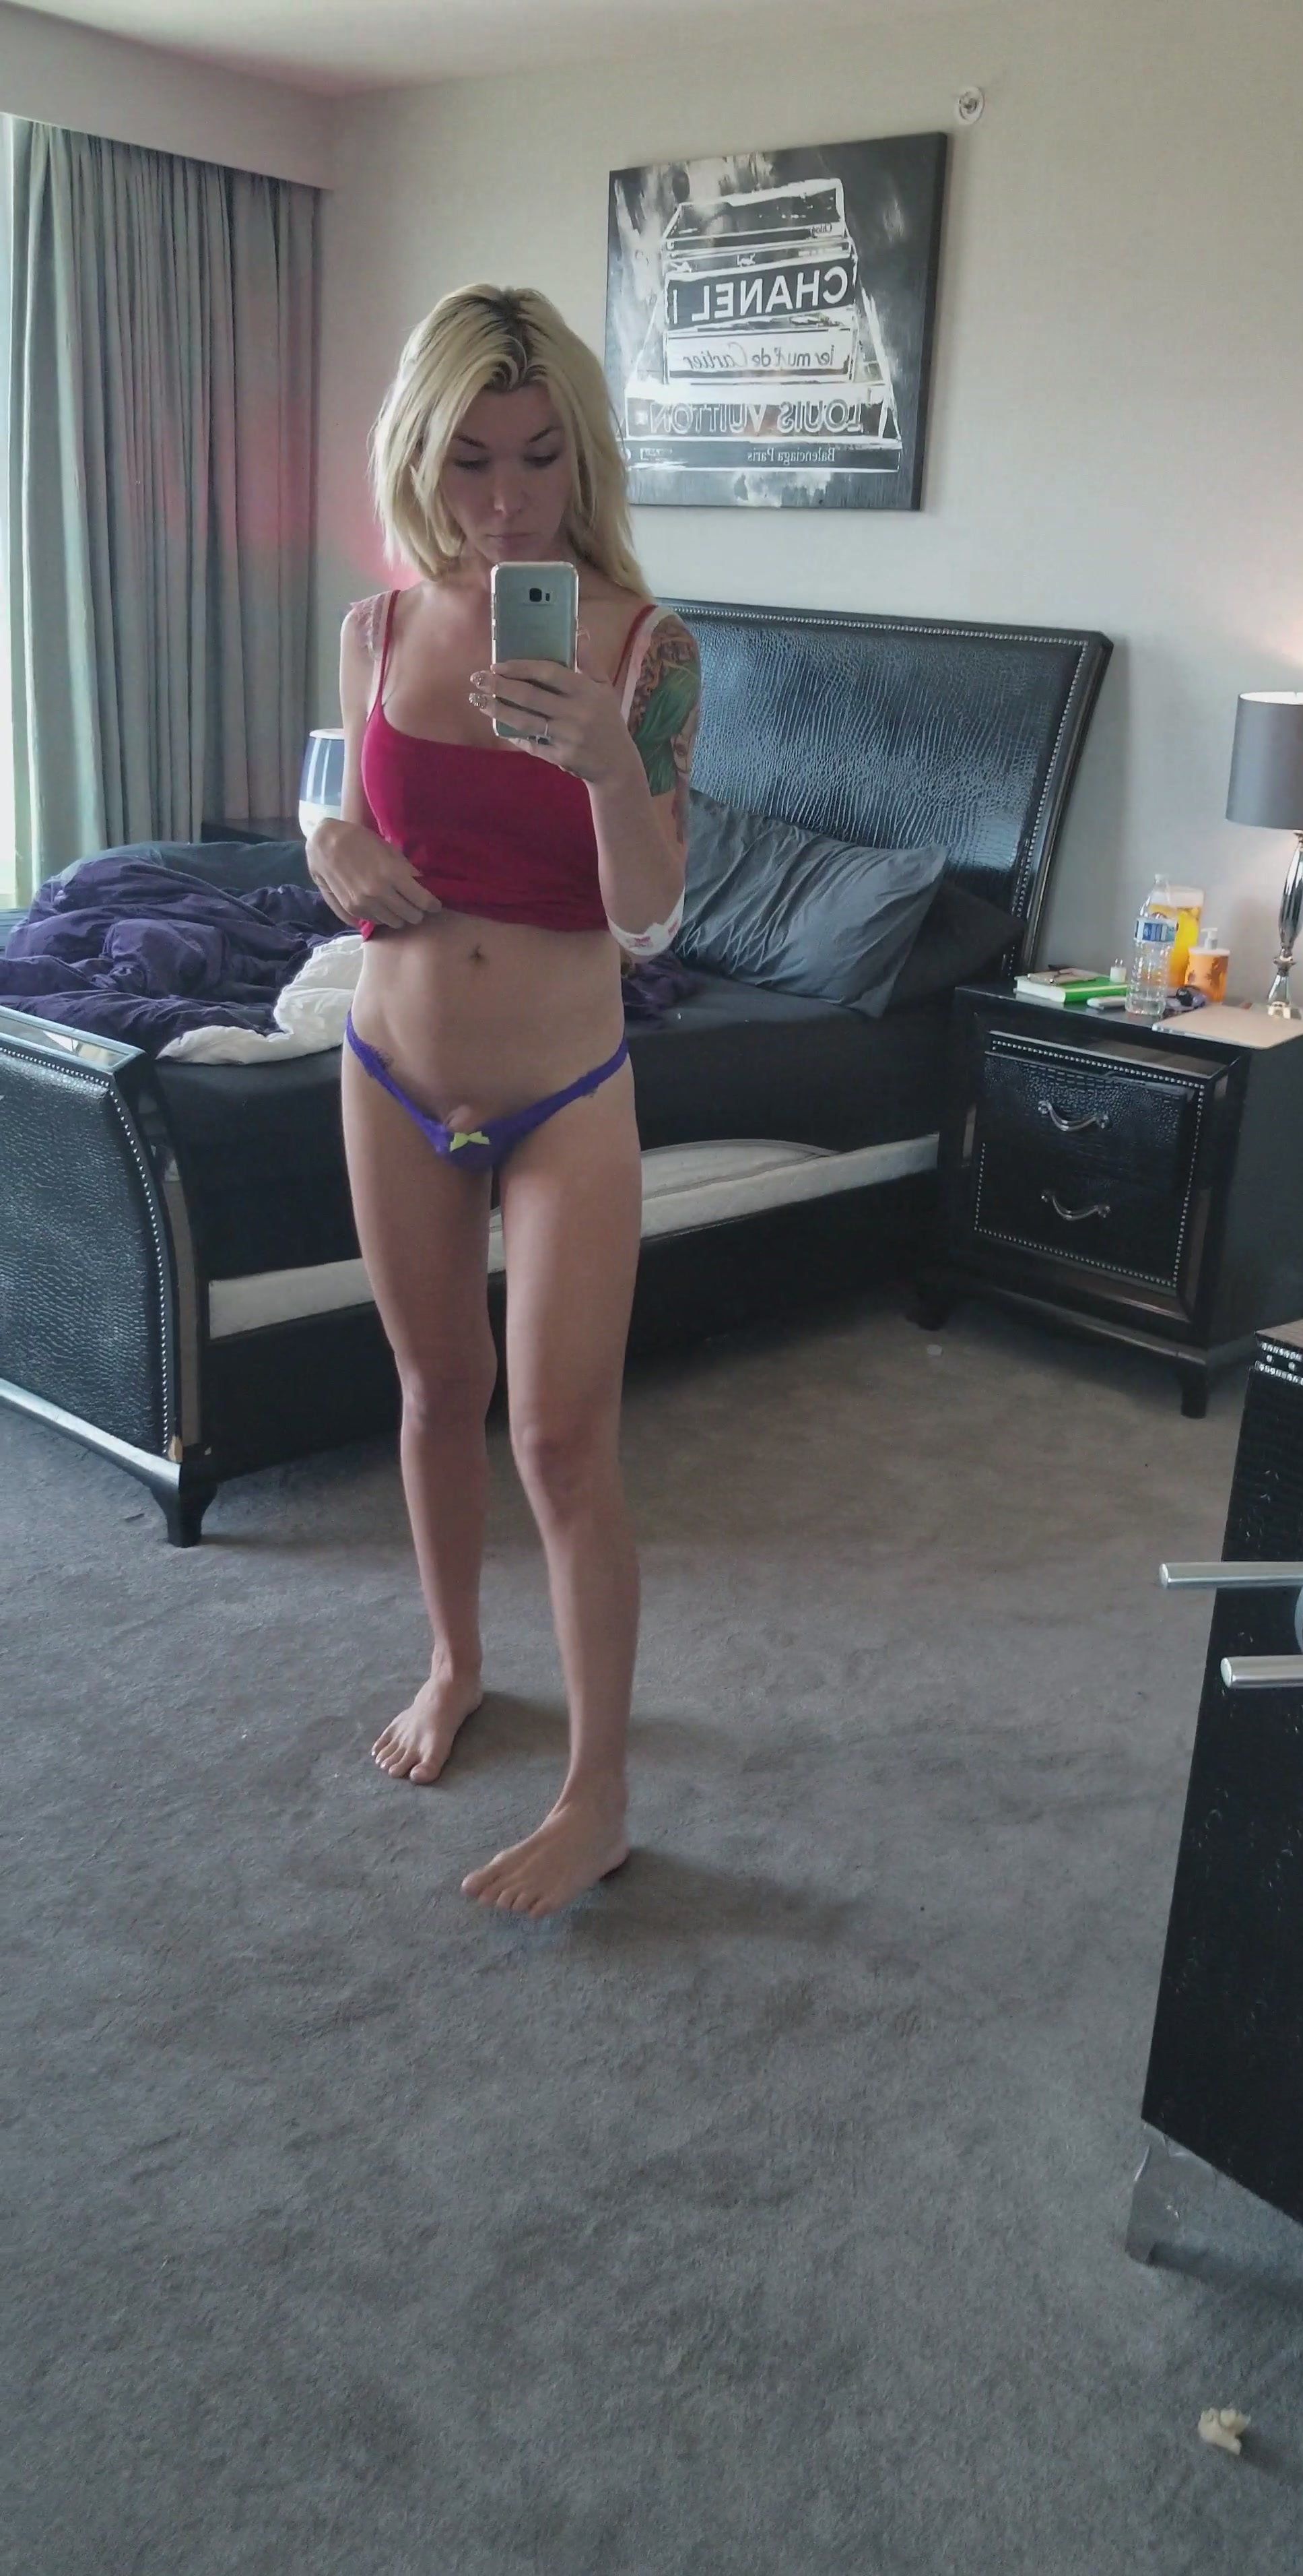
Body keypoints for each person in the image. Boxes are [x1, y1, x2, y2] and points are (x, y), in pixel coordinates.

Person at [306, 285, 700, 1917]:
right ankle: (457, 1663)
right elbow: (329, 802)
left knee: (558, 1438)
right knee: (430, 1388)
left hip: (563, 1090)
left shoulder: (647, 647)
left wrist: (611, 762)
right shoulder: (375, 630)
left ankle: (597, 1794)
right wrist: (328, 851)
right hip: (391, 1067)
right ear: (420, 455)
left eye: (540, 457)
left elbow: (650, 915)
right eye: (470, 460)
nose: (507, 500)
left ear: (581, 457)